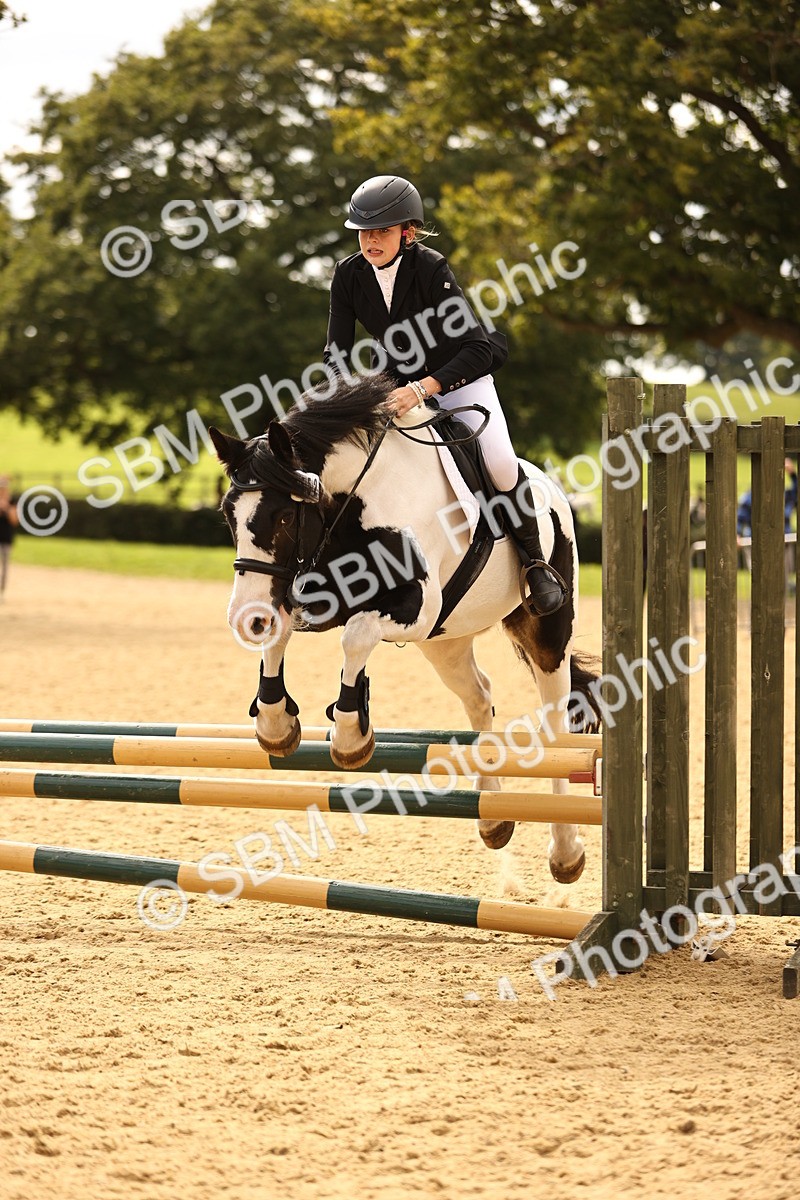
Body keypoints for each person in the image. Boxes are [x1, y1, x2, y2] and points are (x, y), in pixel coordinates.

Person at [322, 174, 566, 617]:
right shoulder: (347, 274)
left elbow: (475, 348)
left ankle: (535, 564)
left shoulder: (431, 269)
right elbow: (336, 351)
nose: (370, 240)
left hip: (459, 379)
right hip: (394, 385)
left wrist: (422, 389)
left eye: (382, 231)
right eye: (363, 231)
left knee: (500, 463)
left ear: (407, 233)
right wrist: (349, 397)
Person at [0, 477, 19, 599]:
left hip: (6, 539)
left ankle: (2, 592)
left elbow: (15, 520)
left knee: (5, 567)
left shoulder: (12, 501)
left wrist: (6, 508)